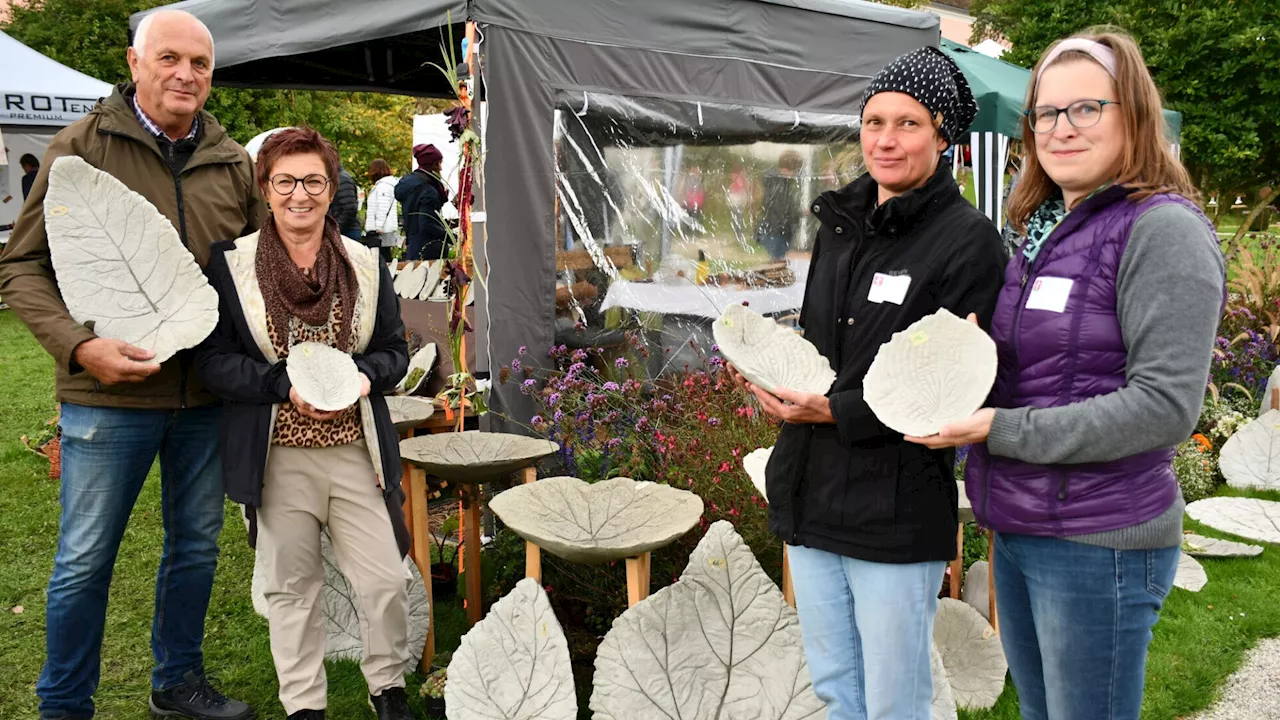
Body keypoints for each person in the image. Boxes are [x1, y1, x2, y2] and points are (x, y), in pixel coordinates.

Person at [908, 31, 1225, 720]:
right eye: (1045, 114)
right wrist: (966, 365)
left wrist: (1000, 427)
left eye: (1086, 108)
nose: (1060, 129)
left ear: (1132, 114)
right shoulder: (1044, 228)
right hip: (1023, 525)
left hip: (1098, 539)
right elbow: (1047, 369)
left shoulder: (1161, 230)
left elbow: (1164, 407)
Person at [729, 47, 1006, 720]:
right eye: (873, 120)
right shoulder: (840, 224)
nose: (885, 139)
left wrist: (835, 412)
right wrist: (777, 377)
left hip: (895, 503)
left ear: (944, 137)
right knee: (834, 685)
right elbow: (825, 351)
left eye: (908, 124)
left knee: (892, 699)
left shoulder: (968, 242)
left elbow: (950, 389)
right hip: (814, 489)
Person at [0, 10, 262, 720]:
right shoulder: (80, 147)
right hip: (106, 398)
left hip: (205, 398)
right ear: (135, 62)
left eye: (200, 64)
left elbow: (254, 271)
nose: (185, 75)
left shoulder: (231, 161)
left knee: (197, 549)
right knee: (85, 559)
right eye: (169, 58)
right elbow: (20, 266)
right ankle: (64, 705)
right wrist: (80, 346)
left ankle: (177, 683)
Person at [194, 127, 414, 720]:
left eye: (314, 181)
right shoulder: (233, 265)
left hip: (354, 452)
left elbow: (395, 349)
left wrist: (366, 377)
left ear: (330, 187)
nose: (301, 194)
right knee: (291, 590)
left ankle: (386, 687)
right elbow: (213, 360)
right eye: (286, 181)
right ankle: (304, 705)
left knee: (385, 581)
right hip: (278, 455)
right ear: (265, 188)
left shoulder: (365, 263)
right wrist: (280, 386)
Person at [394, 144, 448, 261]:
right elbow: (427, 223)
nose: (441, 168)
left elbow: (420, 211)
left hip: (413, 245)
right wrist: (453, 237)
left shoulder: (411, 184)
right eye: (439, 163)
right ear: (433, 165)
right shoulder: (428, 190)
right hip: (428, 251)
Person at [755, 150, 803, 260]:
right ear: (786, 170)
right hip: (777, 231)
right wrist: (800, 213)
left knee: (776, 261)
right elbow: (782, 209)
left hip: (772, 230)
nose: (796, 174)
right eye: (795, 171)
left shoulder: (775, 182)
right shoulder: (778, 186)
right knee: (777, 263)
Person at [365, 158, 400, 262]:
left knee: (380, 257)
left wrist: (378, 226)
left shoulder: (382, 186)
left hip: (381, 230)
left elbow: (382, 207)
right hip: (385, 228)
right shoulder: (386, 185)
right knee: (384, 255)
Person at [327, 162, 362, 242]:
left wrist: (335, 228)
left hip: (346, 232)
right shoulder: (335, 178)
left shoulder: (342, 179)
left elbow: (350, 209)